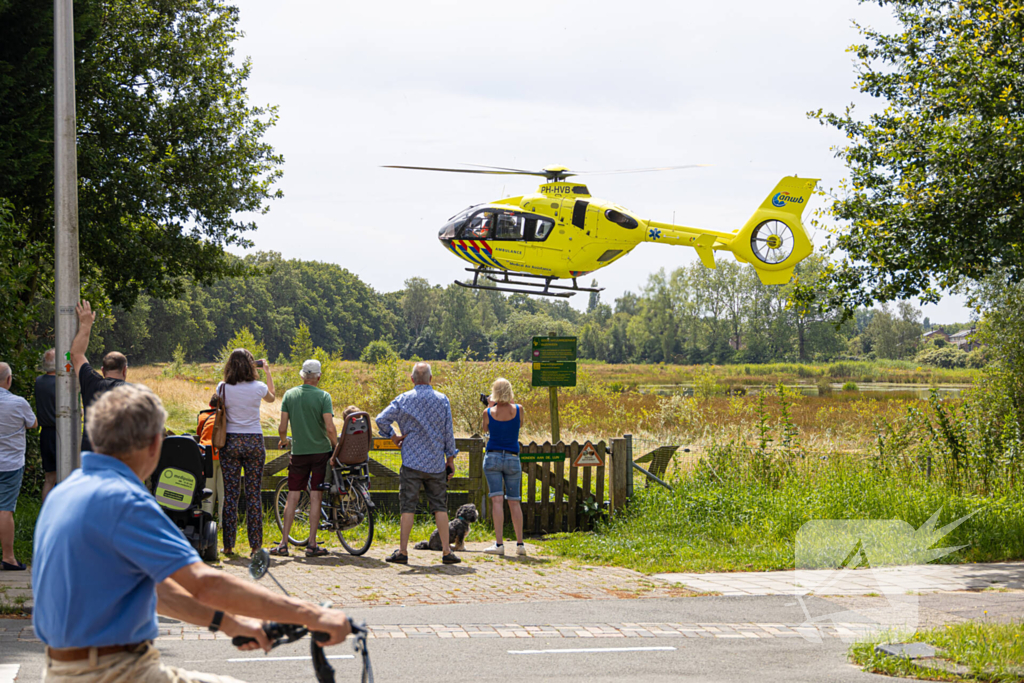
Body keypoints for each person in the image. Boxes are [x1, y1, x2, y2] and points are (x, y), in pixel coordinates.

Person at [32, 384, 350, 682]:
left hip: (64, 670)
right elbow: (205, 583)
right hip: (116, 671)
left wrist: (230, 622)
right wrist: (312, 615)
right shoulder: (124, 500)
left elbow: (158, 591)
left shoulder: (65, 493)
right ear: (156, 443)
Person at [375, 362, 460, 565]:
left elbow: (381, 419)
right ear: (431, 379)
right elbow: (449, 432)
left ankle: (403, 551)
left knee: (408, 507)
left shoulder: (403, 399)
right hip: (435, 463)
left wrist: (393, 436)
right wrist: (450, 459)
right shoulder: (442, 400)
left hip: (411, 461)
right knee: (440, 506)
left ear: (412, 379)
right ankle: (447, 551)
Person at [274, 360, 337, 558]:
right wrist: (336, 447)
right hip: (320, 454)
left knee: (293, 495)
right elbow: (329, 427)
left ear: (302, 375)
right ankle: (311, 544)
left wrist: (284, 441)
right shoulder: (324, 396)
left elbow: (282, 427)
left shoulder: (289, 395)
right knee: (315, 496)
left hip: (299, 453)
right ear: (318, 376)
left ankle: (284, 543)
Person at [217, 349, 275, 557]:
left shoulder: (222, 387)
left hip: (231, 442)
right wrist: (267, 372)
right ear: (252, 365)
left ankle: (228, 546)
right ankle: (255, 546)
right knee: (253, 495)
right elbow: (272, 398)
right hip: (253, 442)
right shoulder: (258, 387)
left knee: (231, 495)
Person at [70, 301, 128, 452]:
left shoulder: (91, 382)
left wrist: (86, 324)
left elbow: (76, 354)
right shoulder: (132, 392)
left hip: (90, 453)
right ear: (125, 370)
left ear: (103, 370)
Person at [480, 377, 527, 556]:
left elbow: (486, 430)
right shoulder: (519, 409)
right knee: (514, 501)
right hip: (512, 457)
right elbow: (519, 424)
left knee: (497, 500)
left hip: (492, 456)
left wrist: (491, 405)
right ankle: (520, 544)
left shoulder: (488, 412)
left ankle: (499, 544)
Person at [0, 362, 35, 571]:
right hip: (11, 464)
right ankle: (9, 557)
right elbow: (33, 424)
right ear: (9, 379)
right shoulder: (19, 403)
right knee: (5, 510)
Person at [196, 393, 224, 522]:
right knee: (223, 491)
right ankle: (223, 522)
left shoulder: (203, 416)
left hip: (207, 455)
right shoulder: (225, 417)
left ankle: (207, 520)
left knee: (208, 490)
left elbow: (199, 433)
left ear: (209, 405)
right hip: (223, 454)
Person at [34, 348, 57, 500]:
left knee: (49, 478)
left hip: (45, 433)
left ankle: (45, 514)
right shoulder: (61, 383)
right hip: (60, 433)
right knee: (67, 475)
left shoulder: (39, 381)